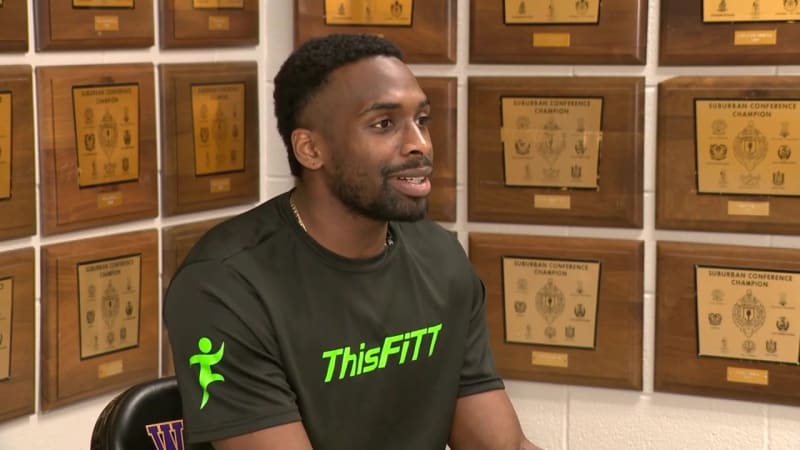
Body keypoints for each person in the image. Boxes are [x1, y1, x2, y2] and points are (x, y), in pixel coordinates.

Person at [164, 33, 540, 450]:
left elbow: (503, 445)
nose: (420, 144)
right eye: (384, 124)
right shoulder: (224, 286)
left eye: (423, 120)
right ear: (310, 149)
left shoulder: (440, 258)